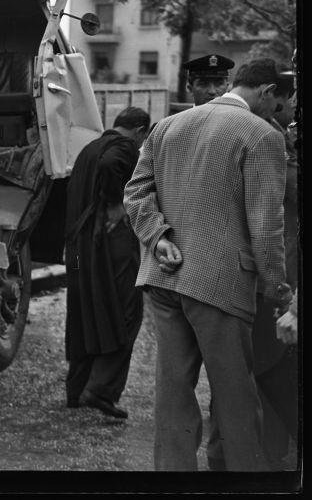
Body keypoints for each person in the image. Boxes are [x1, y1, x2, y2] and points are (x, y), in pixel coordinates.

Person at [124, 57, 292, 471]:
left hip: (165, 277)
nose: (281, 111)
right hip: (221, 283)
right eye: (279, 101)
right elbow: (266, 224)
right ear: (267, 92)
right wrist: (279, 289)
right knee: (235, 396)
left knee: (173, 394)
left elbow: (135, 192)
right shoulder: (261, 136)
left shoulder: (167, 126)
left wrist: (157, 236)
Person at [64, 106, 151, 419]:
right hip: (109, 245)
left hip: (81, 248)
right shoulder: (124, 148)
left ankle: (76, 391)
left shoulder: (89, 147)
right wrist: (116, 205)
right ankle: (100, 390)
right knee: (127, 314)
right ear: (140, 130)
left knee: (87, 314)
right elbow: (113, 164)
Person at [248, 69, 299, 468]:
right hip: (280, 267)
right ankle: (272, 452)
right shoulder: (268, 136)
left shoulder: (279, 135)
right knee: (270, 360)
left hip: (287, 265)